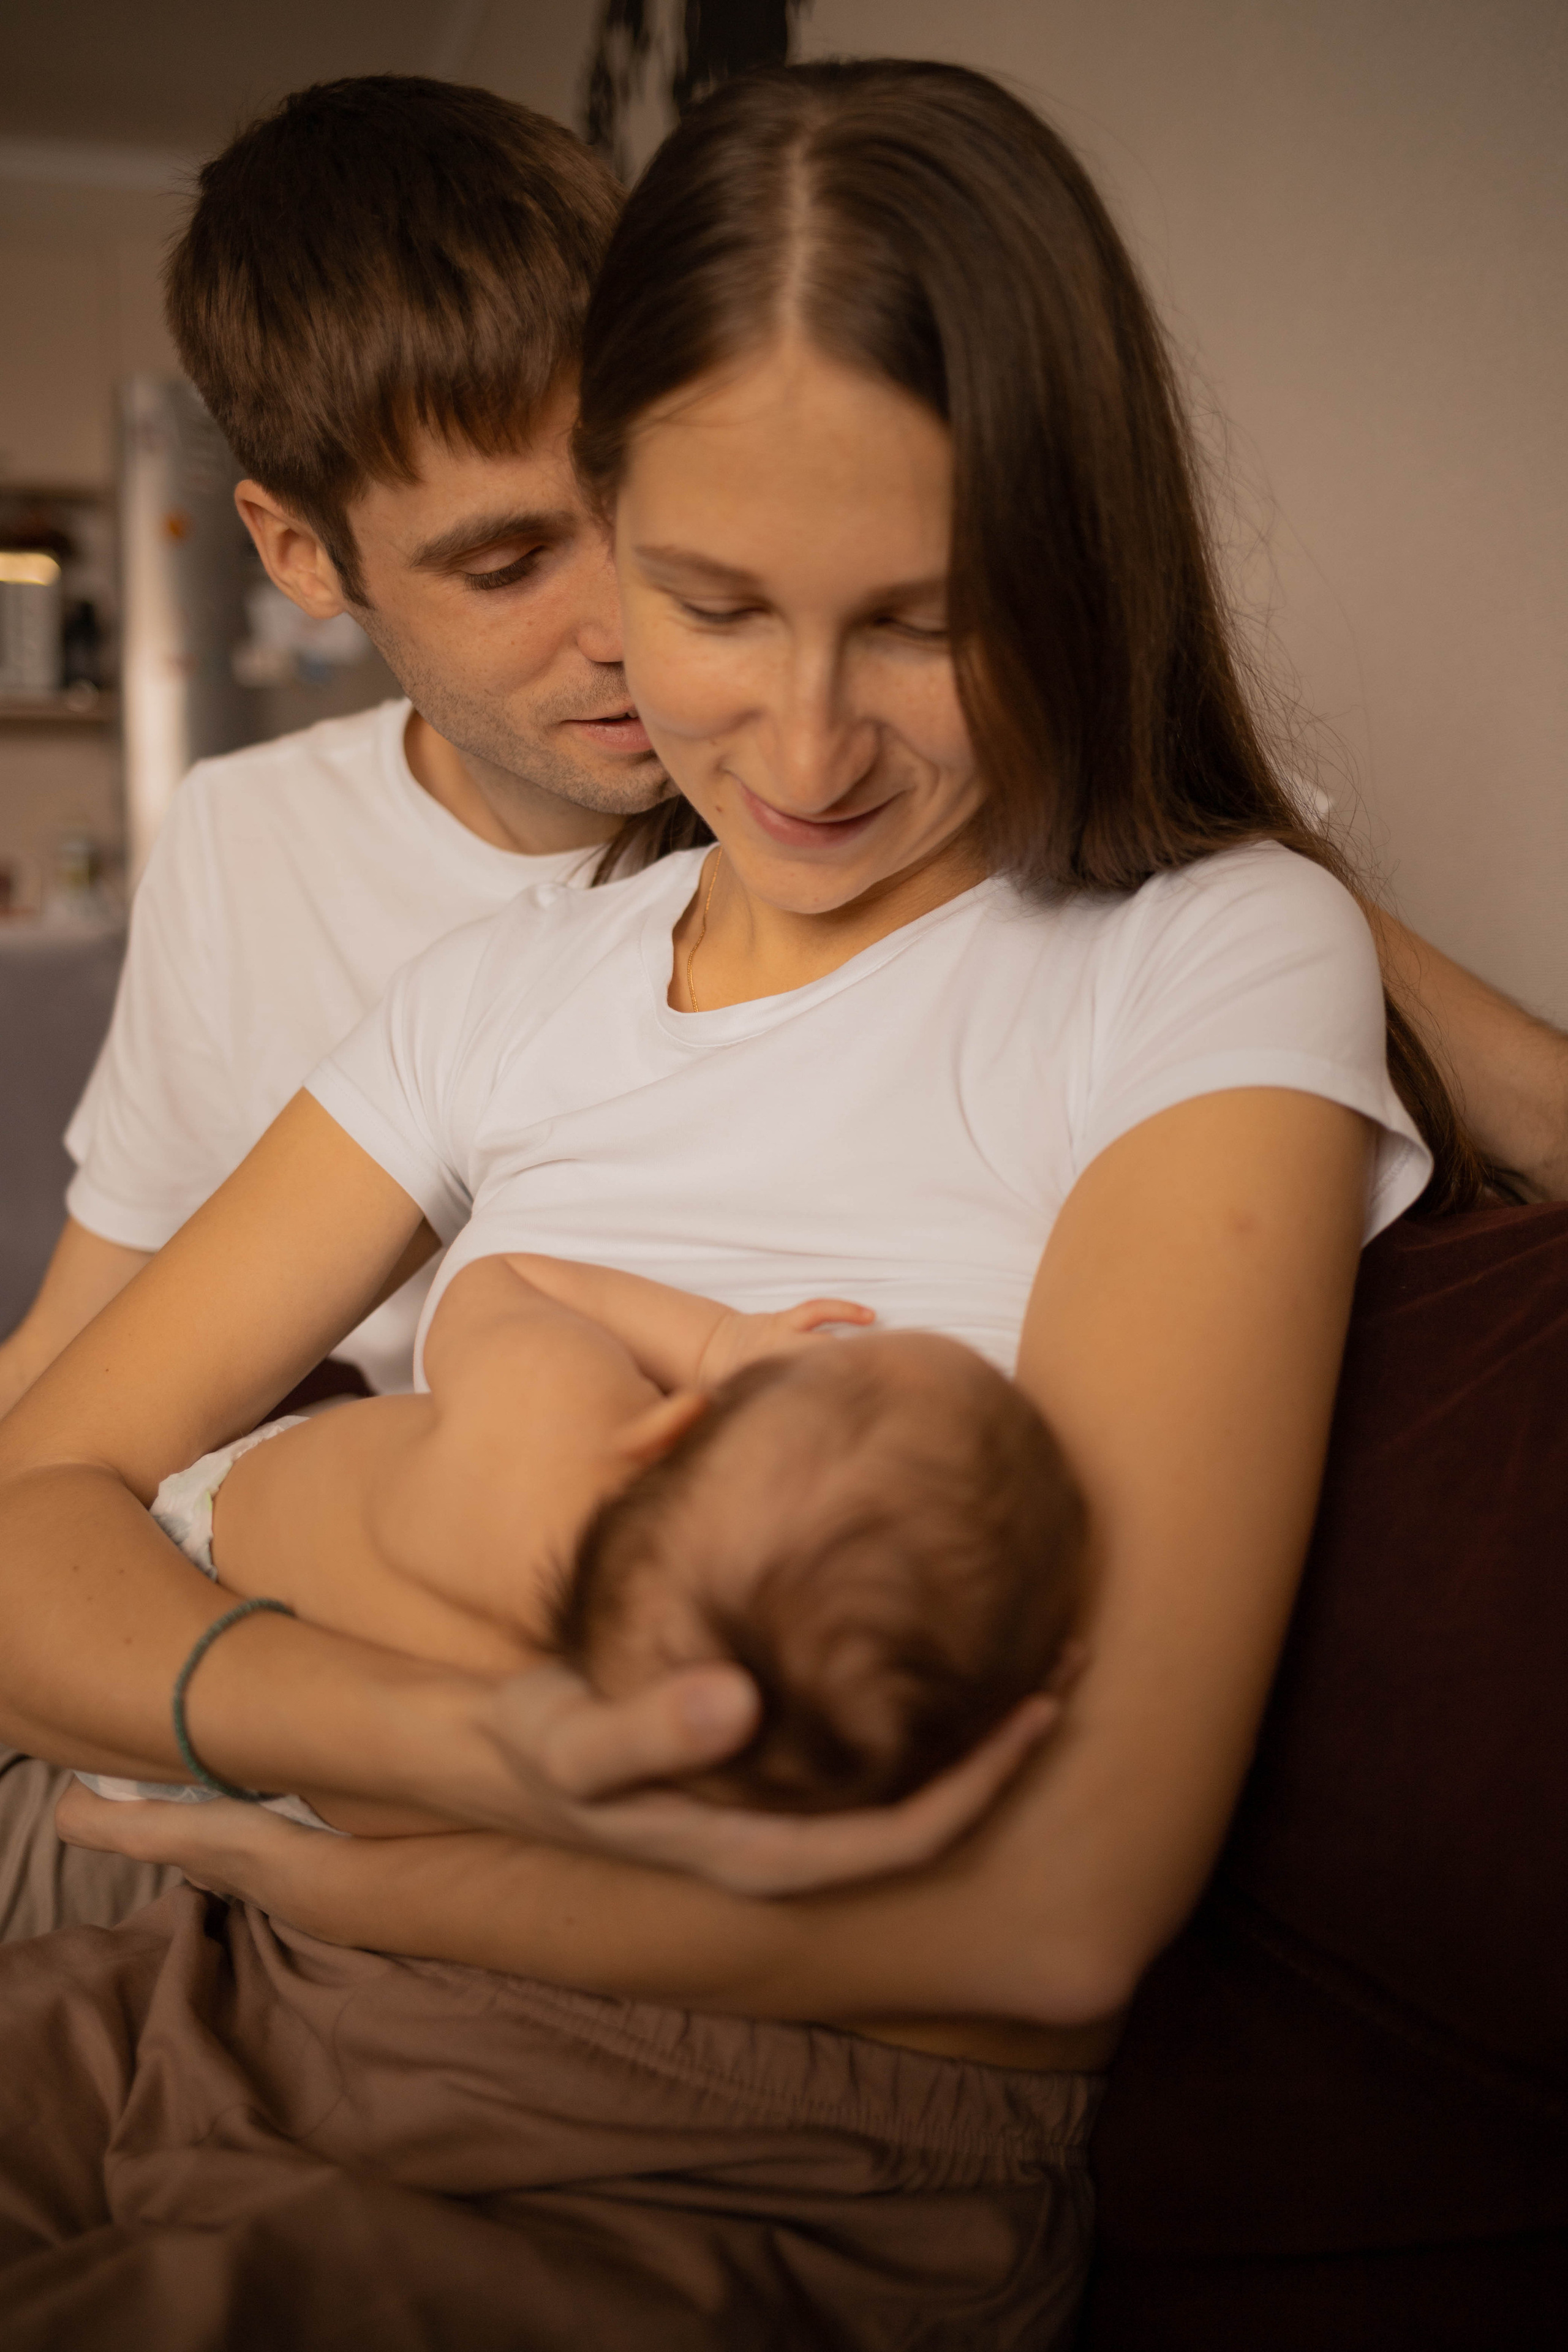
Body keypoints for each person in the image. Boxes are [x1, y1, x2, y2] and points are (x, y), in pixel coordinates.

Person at [0, 56, 1558, 2348]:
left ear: (1073, 570)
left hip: (704, 2123)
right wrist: (453, 1758)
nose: (809, 753)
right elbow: (34, 1509)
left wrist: (409, 1875)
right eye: (713, 603)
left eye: (924, 620)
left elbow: (1053, 1926)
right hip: (225, 1979)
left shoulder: (1213, 951)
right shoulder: (507, 983)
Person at [77, 1252, 1082, 1826]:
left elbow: (495, 1284)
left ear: (674, 1423)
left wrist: (720, 1342)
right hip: (263, 1792)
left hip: (167, 1583)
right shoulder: (633, 1750)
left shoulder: (555, 1418)